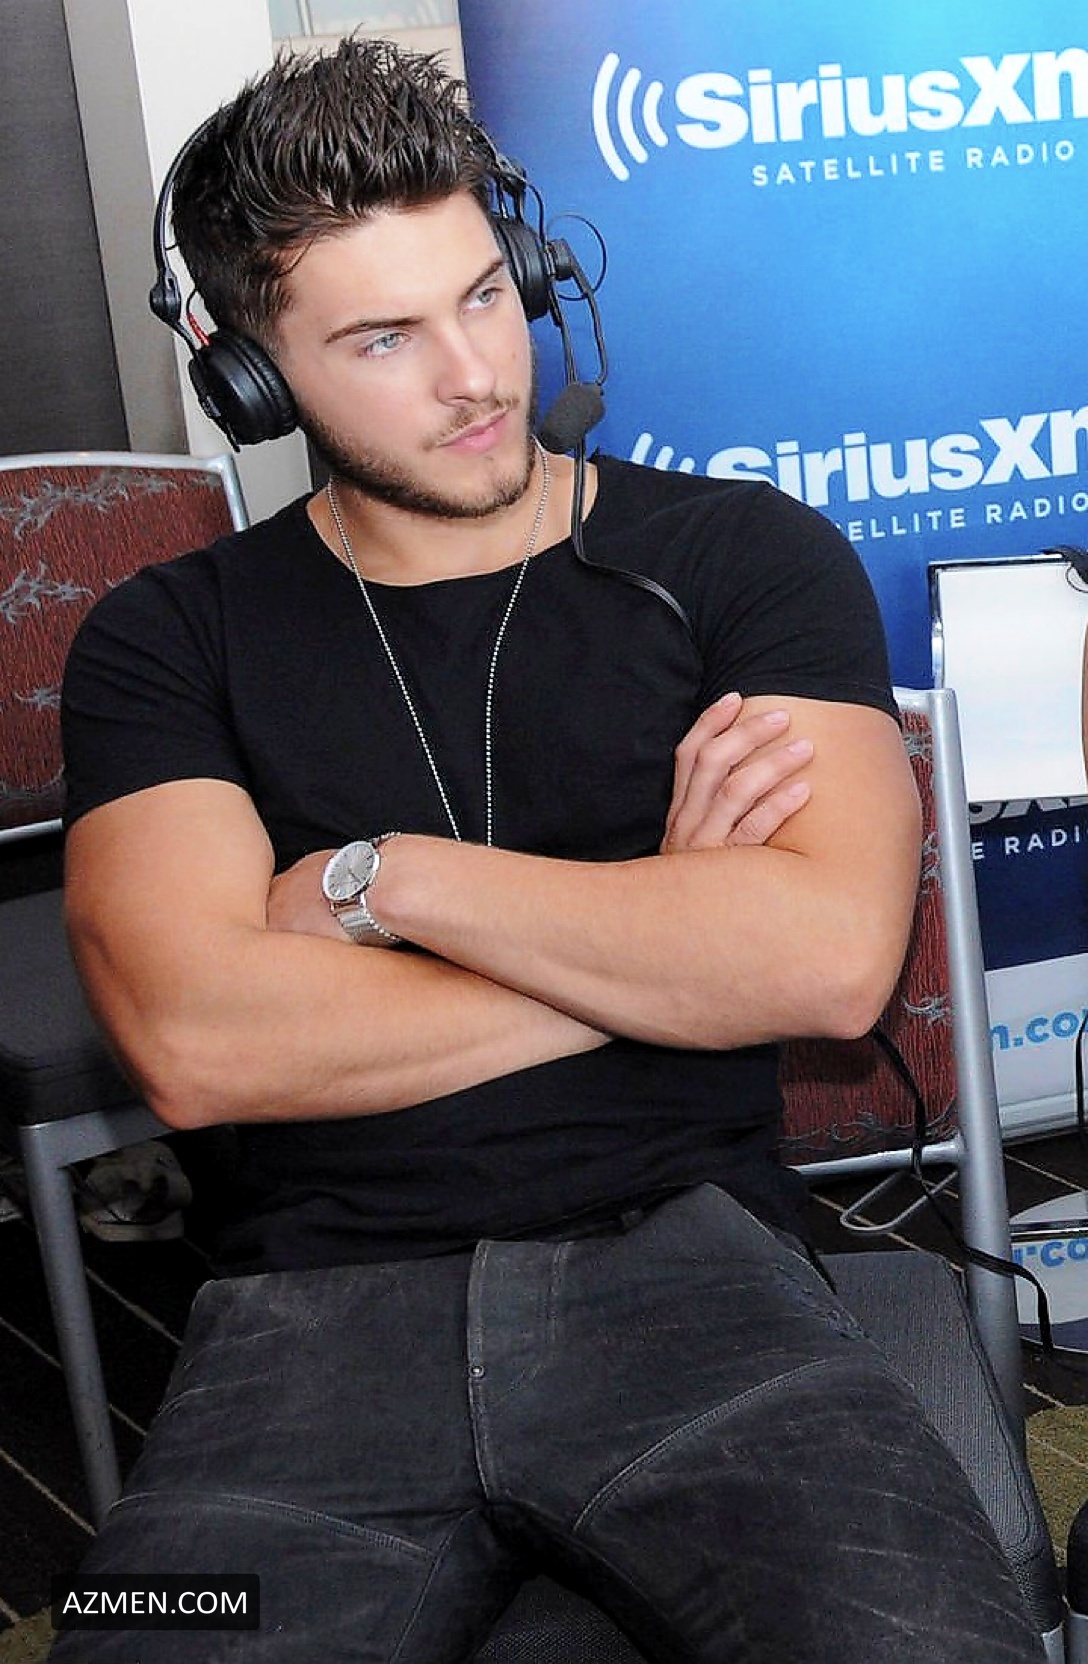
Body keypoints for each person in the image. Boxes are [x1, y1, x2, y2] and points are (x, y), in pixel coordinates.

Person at [51, 37, 1042, 1664]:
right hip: (304, 1328)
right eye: (383, 338)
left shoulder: (741, 557)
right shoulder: (161, 640)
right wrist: (669, 936)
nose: (474, 377)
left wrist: (384, 882)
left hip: (702, 1282)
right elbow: (197, 1044)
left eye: (484, 298)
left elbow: (822, 966)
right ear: (248, 378)